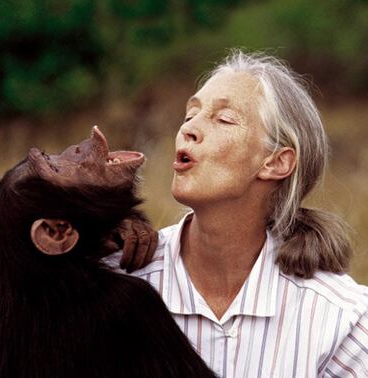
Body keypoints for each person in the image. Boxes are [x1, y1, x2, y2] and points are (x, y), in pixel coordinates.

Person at [110, 51, 368, 377]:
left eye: (224, 119)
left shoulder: (341, 321)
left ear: (275, 162)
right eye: (190, 115)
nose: (188, 130)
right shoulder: (117, 280)